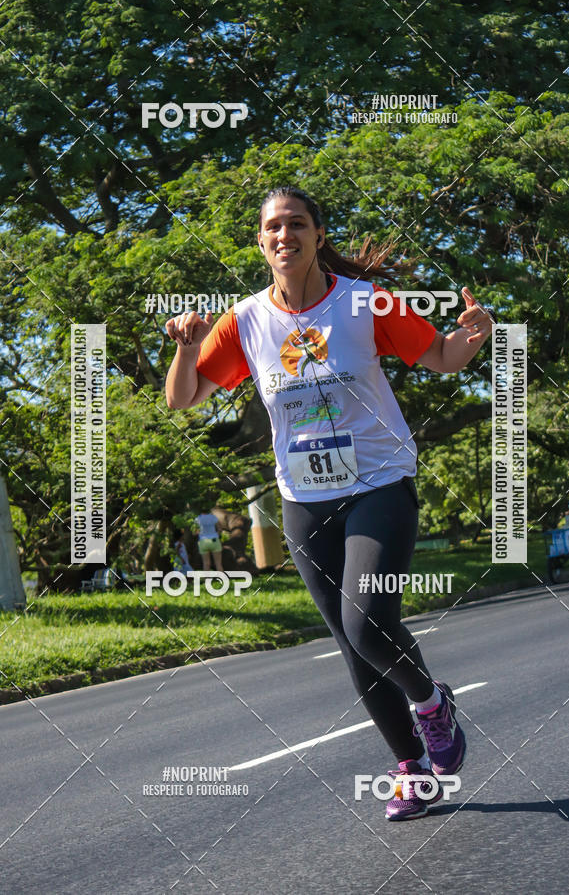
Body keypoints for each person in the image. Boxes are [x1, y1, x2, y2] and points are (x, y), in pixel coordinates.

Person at [165, 185, 495, 820]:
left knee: (366, 622)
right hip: (304, 499)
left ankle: (432, 704)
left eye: (296, 224)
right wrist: (186, 346)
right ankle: (412, 770)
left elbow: (440, 355)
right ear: (261, 243)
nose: (284, 235)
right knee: (351, 641)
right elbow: (184, 397)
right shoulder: (245, 321)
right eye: (273, 227)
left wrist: (473, 337)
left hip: (378, 482)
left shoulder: (364, 302)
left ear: (318, 235)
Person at [194, 507, 224, 572]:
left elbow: (195, 532)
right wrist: (217, 534)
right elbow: (220, 529)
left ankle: (207, 578)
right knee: (218, 564)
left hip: (203, 541)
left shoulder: (197, 519)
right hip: (214, 540)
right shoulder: (213, 517)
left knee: (206, 564)